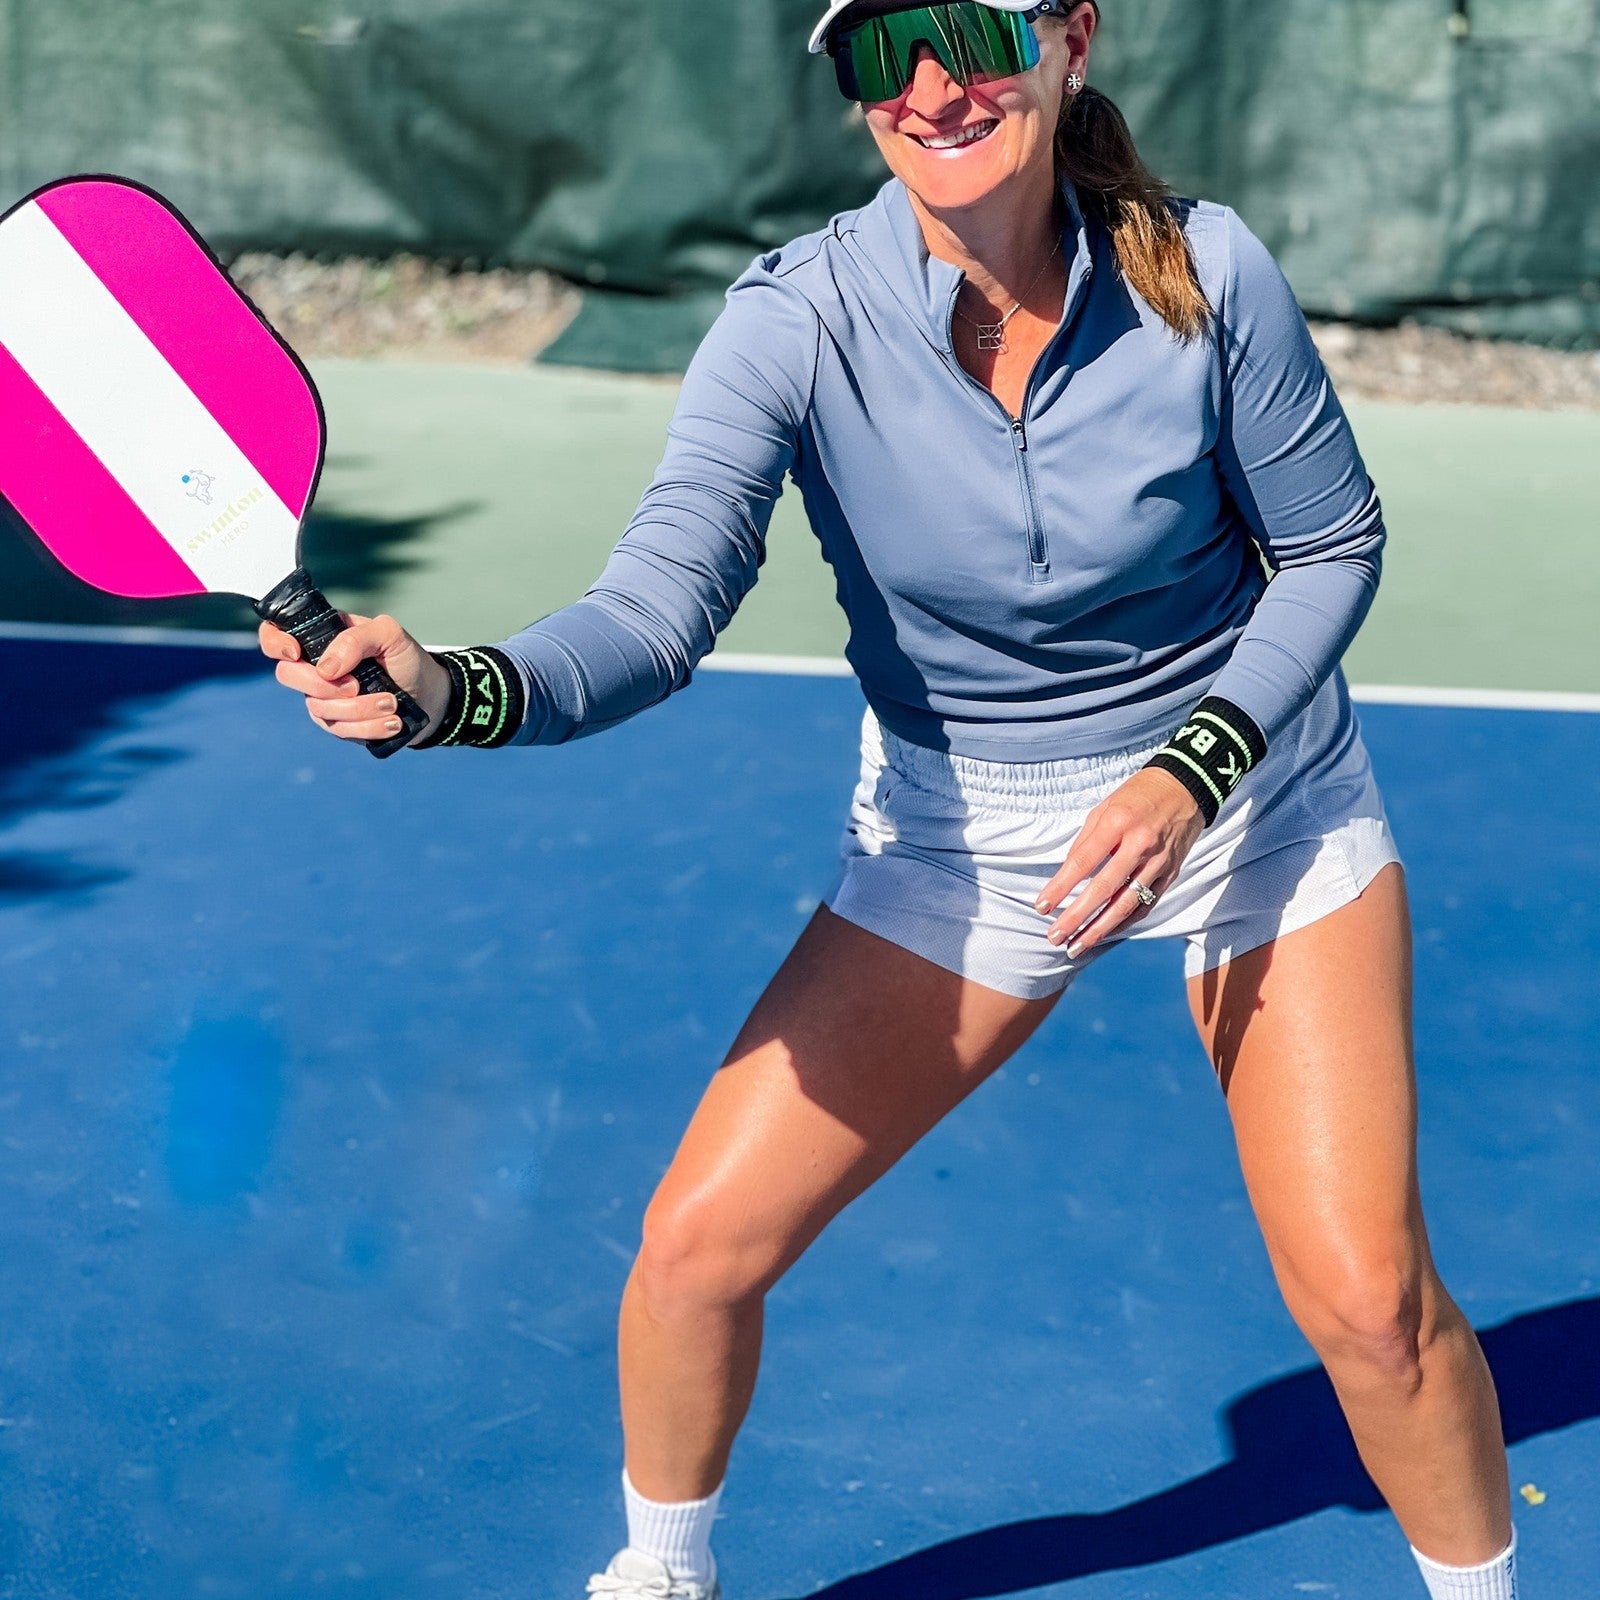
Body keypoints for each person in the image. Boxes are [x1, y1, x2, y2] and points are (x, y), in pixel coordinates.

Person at [259, 2, 1519, 1595]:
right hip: (962, 839)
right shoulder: (792, 320)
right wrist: (453, 690)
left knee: (1372, 1310)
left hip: (1251, 799)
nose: (930, 87)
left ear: (1068, 38)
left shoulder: (1209, 271)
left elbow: (1329, 547)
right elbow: (653, 613)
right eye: (878, 53)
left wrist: (1193, 766)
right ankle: (663, 1576)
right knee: (696, 1254)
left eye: (966, 29)